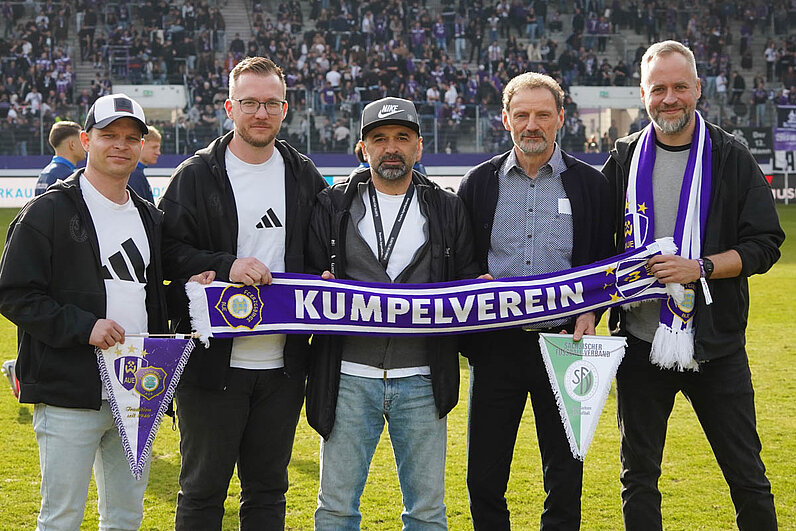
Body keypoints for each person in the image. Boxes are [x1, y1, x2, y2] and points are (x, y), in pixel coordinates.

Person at [601, 40, 783, 530]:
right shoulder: (622, 159)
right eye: (658, 88)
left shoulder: (731, 156)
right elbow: (598, 250)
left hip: (715, 344)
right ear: (643, 94)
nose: (669, 98)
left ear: (698, 89)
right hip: (639, 345)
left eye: (680, 87)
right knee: (638, 477)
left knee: (747, 475)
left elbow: (765, 245)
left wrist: (699, 267)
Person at [159, 56, 327, 531]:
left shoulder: (303, 174)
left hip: (283, 368)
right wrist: (224, 265)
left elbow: (321, 252)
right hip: (212, 366)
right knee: (202, 491)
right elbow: (167, 252)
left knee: (268, 492)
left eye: (271, 104)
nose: (260, 113)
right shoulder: (195, 175)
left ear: (285, 109)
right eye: (250, 103)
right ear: (229, 107)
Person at [306, 97, 482, 530]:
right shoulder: (333, 205)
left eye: (402, 138)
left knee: (427, 512)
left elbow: (467, 281)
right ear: (362, 149)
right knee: (335, 509)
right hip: (348, 376)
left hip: (423, 377)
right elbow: (306, 275)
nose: (391, 148)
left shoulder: (446, 207)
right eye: (379, 138)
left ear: (419, 147)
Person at [0, 94, 168, 530]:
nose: (121, 145)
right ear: (84, 140)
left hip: (136, 390)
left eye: (133, 137)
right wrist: (83, 326)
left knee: (126, 517)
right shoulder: (48, 210)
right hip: (68, 389)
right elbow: (14, 293)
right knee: (61, 518)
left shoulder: (149, 217)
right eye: (109, 135)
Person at [457, 72, 614, 530]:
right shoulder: (478, 183)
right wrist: (473, 281)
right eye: (522, 114)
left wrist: (592, 309)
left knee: (565, 475)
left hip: (564, 345)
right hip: (496, 347)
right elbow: (461, 258)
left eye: (543, 114)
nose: (532, 124)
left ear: (560, 118)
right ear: (505, 119)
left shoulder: (590, 185)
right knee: (484, 475)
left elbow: (604, 262)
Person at [35, 120, 86, 195]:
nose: (86, 145)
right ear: (72, 144)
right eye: (82, 141)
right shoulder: (67, 177)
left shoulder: (45, 173)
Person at [128, 125, 162, 203]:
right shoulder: (134, 175)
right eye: (154, 147)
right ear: (141, 145)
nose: (158, 153)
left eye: (159, 148)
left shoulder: (136, 173)